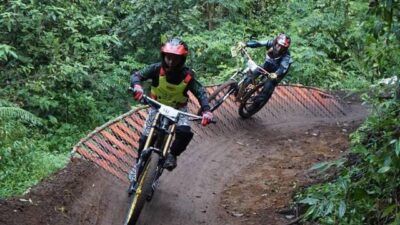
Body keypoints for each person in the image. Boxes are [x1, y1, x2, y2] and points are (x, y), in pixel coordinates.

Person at [130, 38, 213, 175]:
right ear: (164, 56)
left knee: (184, 132)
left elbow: (200, 92)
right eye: (168, 57)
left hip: (178, 109)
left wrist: (206, 110)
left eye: (175, 58)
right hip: (156, 107)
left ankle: (172, 155)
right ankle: (138, 164)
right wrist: (137, 86)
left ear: (182, 59)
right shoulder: (156, 68)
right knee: (145, 138)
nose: (171, 61)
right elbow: (137, 76)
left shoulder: (187, 75)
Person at [241, 33, 292, 108]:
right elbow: (258, 43)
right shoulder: (270, 43)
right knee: (252, 74)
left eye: (282, 47)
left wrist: (276, 74)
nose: (279, 48)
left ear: (286, 48)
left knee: (267, 87)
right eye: (278, 45)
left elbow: (282, 68)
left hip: (278, 71)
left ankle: (255, 105)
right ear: (275, 42)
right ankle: (243, 89)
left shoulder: (286, 55)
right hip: (268, 65)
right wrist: (246, 44)